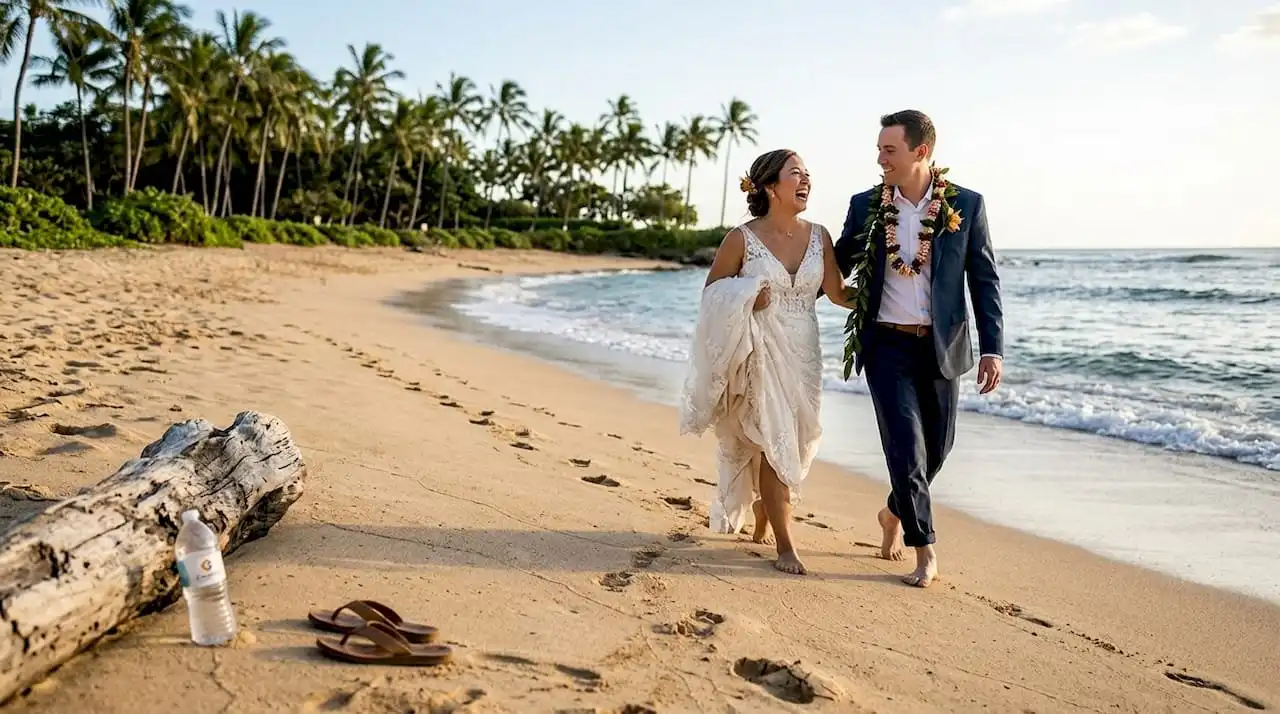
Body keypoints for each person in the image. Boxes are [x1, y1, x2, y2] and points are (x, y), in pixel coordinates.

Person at [833, 110, 1005, 588]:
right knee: (905, 450)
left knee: (939, 448)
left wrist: (994, 349)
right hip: (886, 344)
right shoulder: (867, 204)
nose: (879, 158)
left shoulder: (966, 205)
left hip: (941, 347)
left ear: (920, 151)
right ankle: (924, 549)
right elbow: (836, 260)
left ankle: (893, 511)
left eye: (889, 150)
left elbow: (984, 279)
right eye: (879, 149)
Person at [679, 149, 853, 575]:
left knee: (797, 437)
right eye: (796, 173)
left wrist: (896, 297)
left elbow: (836, 292)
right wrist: (746, 296)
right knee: (774, 439)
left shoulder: (820, 236)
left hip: (805, 354)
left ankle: (764, 508)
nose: (806, 179)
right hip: (761, 349)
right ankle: (786, 545)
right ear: (771, 186)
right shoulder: (742, 238)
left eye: (808, 173)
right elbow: (712, 292)